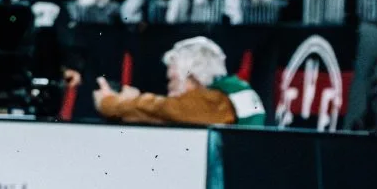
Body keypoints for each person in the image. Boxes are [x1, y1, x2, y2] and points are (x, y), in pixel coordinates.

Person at [94, 36, 265, 127]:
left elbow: (162, 107)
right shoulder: (230, 94)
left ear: (193, 78)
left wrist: (110, 103)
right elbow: (163, 116)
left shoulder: (215, 101)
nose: (169, 85)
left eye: (173, 79)